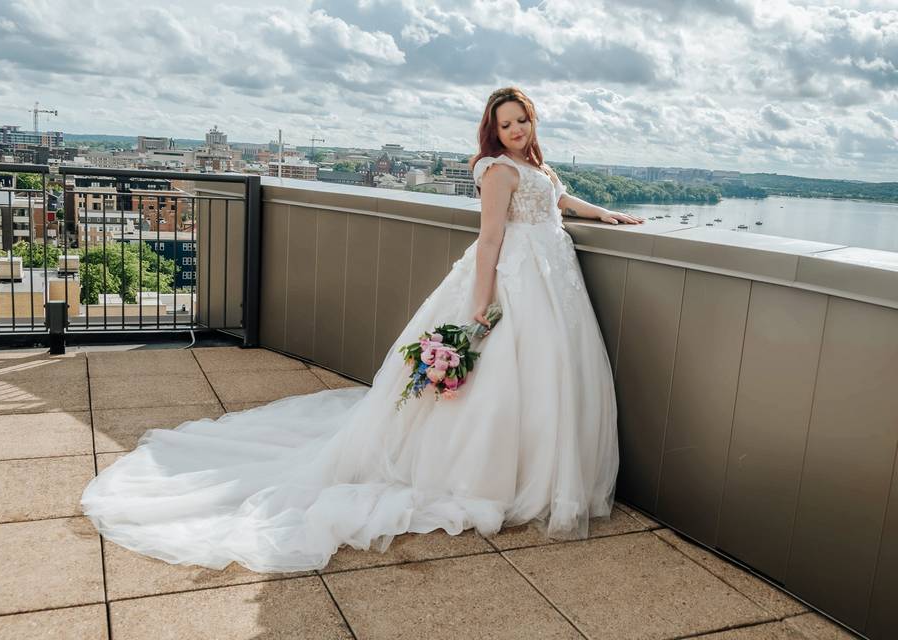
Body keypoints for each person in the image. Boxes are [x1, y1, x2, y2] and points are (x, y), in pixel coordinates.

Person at [80, 87, 645, 573]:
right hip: (517, 282)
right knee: (504, 379)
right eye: (507, 123)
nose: (518, 129)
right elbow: (492, 239)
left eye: (523, 119)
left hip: (552, 281)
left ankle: (535, 471)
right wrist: (480, 303)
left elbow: (558, 199)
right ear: (492, 131)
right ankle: (485, 474)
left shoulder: (537, 167)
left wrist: (605, 214)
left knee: (546, 377)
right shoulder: (497, 170)